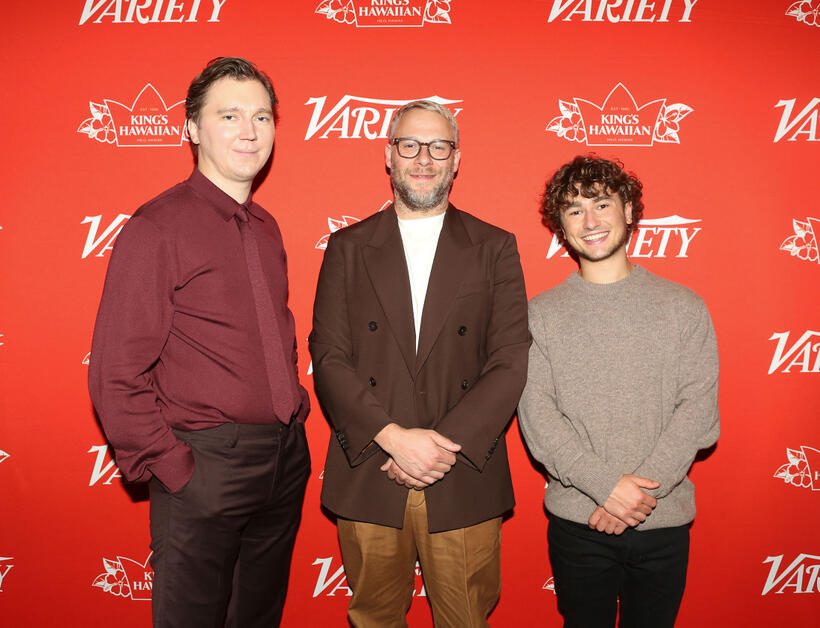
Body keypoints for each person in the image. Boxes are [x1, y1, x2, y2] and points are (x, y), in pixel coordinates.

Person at [88, 57, 310, 627]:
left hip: (283, 459)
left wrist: (294, 425)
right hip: (206, 464)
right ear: (191, 127)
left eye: (262, 117)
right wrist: (176, 469)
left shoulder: (266, 227)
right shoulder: (156, 227)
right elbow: (115, 371)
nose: (249, 131)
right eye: (229, 115)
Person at [309, 100, 529, 627]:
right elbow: (329, 356)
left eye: (438, 146)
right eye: (409, 145)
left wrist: (437, 448)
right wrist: (393, 438)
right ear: (389, 156)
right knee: (374, 619)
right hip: (371, 467)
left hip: (462, 472)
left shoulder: (494, 247)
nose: (424, 158)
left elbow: (509, 360)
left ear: (457, 160)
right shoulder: (347, 247)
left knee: (465, 619)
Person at [518, 155, 720, 628]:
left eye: (602, 204)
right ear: (561, 228)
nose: (590, 221)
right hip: (579, 523)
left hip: (662, 521)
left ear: (628, 211)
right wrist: (606, 488)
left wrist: (633, 496)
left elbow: (698, 412)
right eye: (574, 210)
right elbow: (538, 419)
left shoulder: (684, 307)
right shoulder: (539, 315)